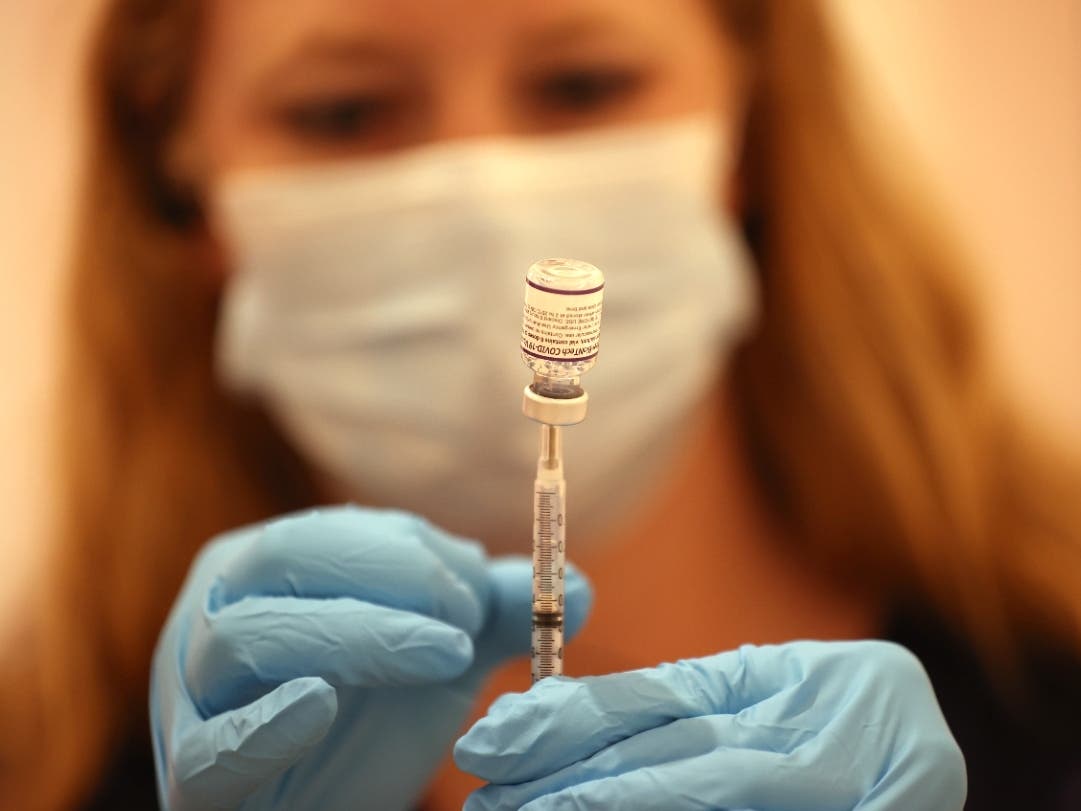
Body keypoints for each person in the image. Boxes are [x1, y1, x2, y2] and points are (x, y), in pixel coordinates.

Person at [2, 0, 1079, 809]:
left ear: (752, 126)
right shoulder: (45, 759)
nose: (486, 193)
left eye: (582, 86)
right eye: (345, 110)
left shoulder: (1047, 686)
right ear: (182, 189)